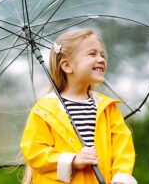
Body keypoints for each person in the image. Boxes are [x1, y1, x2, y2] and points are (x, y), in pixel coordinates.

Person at [20, 29, 137, 184]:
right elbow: (34, 151)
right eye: (92, 54)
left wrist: (120, 178)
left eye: (102, 54)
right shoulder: (44, 110)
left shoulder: (108, 108)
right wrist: (73, 160)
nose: (101, 59)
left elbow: (122, 148)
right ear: (67, 66)